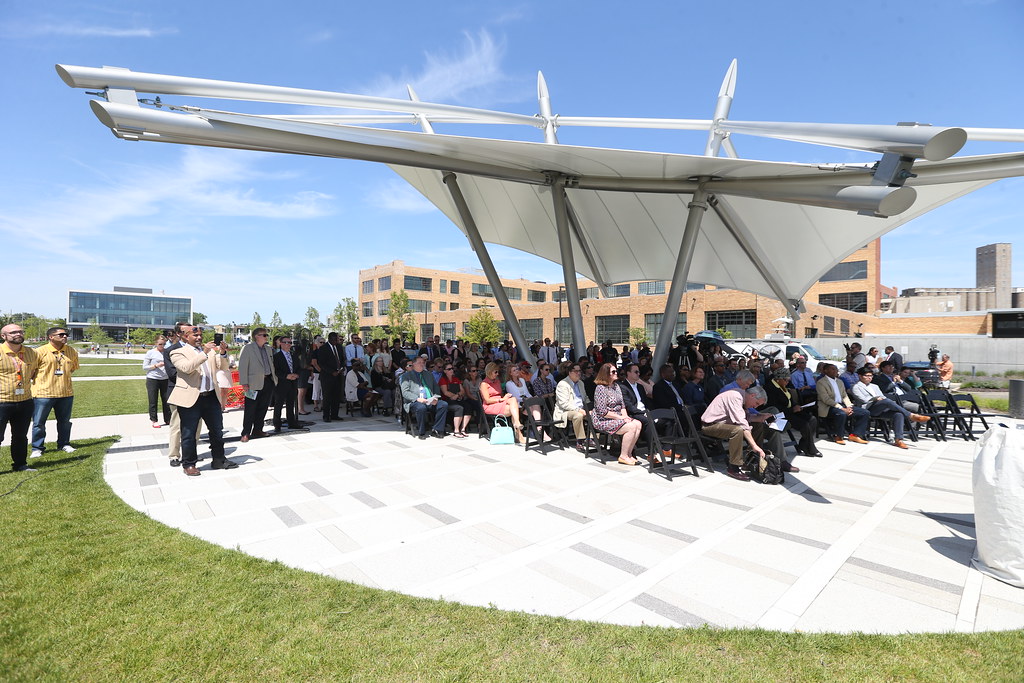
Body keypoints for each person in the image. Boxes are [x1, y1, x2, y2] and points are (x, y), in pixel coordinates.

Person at [168, 326, 235, 476]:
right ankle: (189, 464)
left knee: (217, 431)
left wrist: (222, 353)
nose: (199, 337)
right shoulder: (178, 352)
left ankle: (219, 459)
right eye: (195, 335)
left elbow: (223, 367)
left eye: (200, 335)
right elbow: (186, 368)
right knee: (189, 433)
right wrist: (204, 352)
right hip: (191, 398)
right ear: (186, 337)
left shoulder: (210, 351)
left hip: (211, 397)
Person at [700, 385, 770, 482]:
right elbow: (742, 423)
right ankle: (734, 467)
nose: (755, 407)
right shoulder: (735, 396)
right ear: (752, 395)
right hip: (710, 426)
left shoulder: (742, 397)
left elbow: (746, 418)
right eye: (757, 403)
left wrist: (761, 417)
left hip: (724, 424)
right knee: (738, 430)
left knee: (757, 425)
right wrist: (754, 445)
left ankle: (751, 460)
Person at [850, 367, 930, 449]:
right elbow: (863, 399)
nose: (869, 378)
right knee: (886, 401)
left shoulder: (874, 386)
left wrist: (880, 399)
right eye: (867, 376)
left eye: (871, 376)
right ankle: (910, 415)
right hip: (868, 408)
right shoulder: (856, 386)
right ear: (860, 376)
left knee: (898, 414)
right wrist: (875, 399)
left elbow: (882, 396)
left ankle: (899, 439)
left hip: (881, 407)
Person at [31, 326, 80, 457]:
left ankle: (64, 444)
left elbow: (72, 369)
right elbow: (31, 372)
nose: (65, 337)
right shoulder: (39, 352)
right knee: (39, 423)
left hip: (65, 393)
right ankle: (37, 448)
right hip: (43, 394)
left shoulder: (71, 351)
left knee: (65, 422)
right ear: (51, 337)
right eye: (61, 335)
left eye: (66, 334)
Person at [1, 323, 40, 472]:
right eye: (13, 332)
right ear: (3, 336)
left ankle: (20, 465)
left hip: (25, 402)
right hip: (2, 402)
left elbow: (33, 371)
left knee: (20, 436)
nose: (18, 334)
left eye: (20, 331)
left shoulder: (31, 353)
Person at [591, 363, 643, 466]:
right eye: (613, 372)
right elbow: (602, 412)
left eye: (616, 371)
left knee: (638, 424)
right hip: (603, 419)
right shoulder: (600, 388)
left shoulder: (616, 386)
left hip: (617, 417)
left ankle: (629, 454)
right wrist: (621, 418)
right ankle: (623, 455)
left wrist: (626, 417)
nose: (616, 373)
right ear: (606, 374)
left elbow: (622, 405)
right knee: (631, 427)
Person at [765, 368, 822, 457]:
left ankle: (803, 444)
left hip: (790, 410)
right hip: (781, 414)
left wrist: (796, 406)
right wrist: (792, 409)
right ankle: (811, 448)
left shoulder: (784, 385)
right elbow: (774, 407)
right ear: (778, 379)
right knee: (804, 424)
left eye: (788, 380)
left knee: (812, 420)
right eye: (786, 380)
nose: (787, 382)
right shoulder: (770, 388)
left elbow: (789, 399)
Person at [237, 327, 277, 442]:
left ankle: (258, 430)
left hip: (268, 381)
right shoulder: (248, 348)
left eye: (266, 335)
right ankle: (246, 432)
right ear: (256, 336)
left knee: (263, 407)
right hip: (253, 383)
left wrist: (274, 379)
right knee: (250, 409)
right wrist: (244, 383)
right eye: (264, 335)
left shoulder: (268, 349)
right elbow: (242, 366)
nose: (266, 337)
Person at [815, 362, 869, 444]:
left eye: (836, 369)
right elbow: (826, 399)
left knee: (864, 412)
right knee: (841, 413)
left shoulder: (840, 381)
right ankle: (839, 436)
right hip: (828, 407)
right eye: (833, 369)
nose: (836, 371)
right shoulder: (821, 382)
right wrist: (842, 408)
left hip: (842, 405)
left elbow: (844, 395)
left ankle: (855, 435)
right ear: (826, 371)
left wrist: (849, 406)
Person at [400, 355, 449, 439]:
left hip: (429, 400)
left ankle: (436, 429)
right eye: (419, 363)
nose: (422, 364)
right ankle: (421, 432)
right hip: (415, 401)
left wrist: (435, 397)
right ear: (413, 364)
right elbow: (405, 392)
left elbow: (436, 388)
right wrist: (417, 398)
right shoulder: (406, 376)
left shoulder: (428, 374)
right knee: (421, 407)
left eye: (423, 362)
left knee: (443, 405)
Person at [479, 361, 524, 444]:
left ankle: (517, 424)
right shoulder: (484, 384)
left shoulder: (497, 381)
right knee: (513, 409)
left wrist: (504, 398)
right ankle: (518, 432)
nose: (497, 374)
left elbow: (500, 394)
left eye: (498, 372)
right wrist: (501, 400)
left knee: (513, 400)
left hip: (500, 401)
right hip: (490, 405)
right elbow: (487, 400)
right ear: (489, 372)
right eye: (495, 372)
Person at [553, 363, 591, 452]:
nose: (579, 373)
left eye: (579, 371)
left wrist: (590, 407)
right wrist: (579, 410)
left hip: (581, 408)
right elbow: (564, 404)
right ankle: (580, 441)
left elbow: (585, 398)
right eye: (576, 371)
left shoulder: (581, 383)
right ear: (570, 372)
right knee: (578, 415)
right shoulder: (563, 384)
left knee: (596, 413)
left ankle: (591, 438)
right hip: (566, 410)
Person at [273, 336, 305, 430]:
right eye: (286, 342)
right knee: (279, 404)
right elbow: (276, 370)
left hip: (292, 383)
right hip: (281, 383)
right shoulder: (276, 356)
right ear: (281, 343)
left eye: (290, 343)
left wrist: (296, 375)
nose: (288, 344)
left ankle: (292, 422)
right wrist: (286, 376)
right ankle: (277, 424)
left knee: (291, 404)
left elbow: (299, 367)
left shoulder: (294, 356)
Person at [143, 336, 172, 428]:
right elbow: (144, 367)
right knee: (153, 400)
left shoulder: (167, 352)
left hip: (165, 379)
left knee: (166, 400)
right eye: (160, 344)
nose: (162, 346)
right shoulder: (150, 353)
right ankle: (154, 420)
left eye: (164, 344)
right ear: (156, 343)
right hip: (153, 379)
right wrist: (156, 365)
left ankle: (168, 419)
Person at [439, 364, 473, 438]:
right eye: (449, 369)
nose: (451, 370)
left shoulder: (456, 379)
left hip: (457, 399)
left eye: (452, 368)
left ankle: (463, 429)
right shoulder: (442, 380)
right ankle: (456, 430)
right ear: (445, 371)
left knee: (468, 407)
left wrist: (457, 395)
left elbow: (462, 390)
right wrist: (454, 396)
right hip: (447, 401)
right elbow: (445, 392)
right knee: (459, 408)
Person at [317, 332, 344, 422]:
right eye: (335, 339)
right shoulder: (323, 348)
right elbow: (321, 363)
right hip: (327, 376)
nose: (336, 341)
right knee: (327, 397)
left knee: (336, 396)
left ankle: (334, 415)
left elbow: (342, 359)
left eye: (337, 339)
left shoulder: (339, 347)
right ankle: (326, 416)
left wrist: (341, 367)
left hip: (338, 375)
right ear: (330, 339)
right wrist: (332, 372)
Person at [209, 340, 232, 409]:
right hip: (219, 373)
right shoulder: (214, 355)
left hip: (226, 373)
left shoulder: (228, 355)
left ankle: (223, 406)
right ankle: (219, 406)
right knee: (220, 390)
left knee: (225, 391)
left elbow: (229, 364)